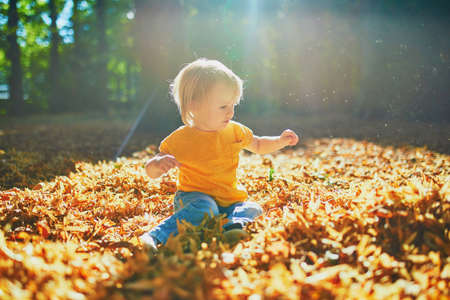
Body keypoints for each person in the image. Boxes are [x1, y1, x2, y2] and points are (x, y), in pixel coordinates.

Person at [140, 58, 299, 251]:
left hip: (229, 199)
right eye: (223, 107)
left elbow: (257, 144)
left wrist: (280, 141)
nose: (231, 112)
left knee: (253, 208)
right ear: (194, 106)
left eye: (233, 105)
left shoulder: (234, 131)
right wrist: (158, 164)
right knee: (206, 208)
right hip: (193, 199)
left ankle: (232, 227)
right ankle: (155, 236)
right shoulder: (181, 138)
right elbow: (151, 170)